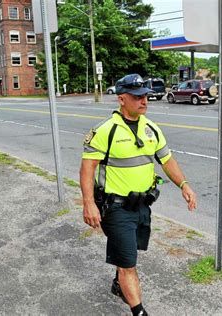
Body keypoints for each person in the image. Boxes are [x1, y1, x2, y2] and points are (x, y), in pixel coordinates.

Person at [80, 73, 197, 315]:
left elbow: (167, 160)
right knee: (129, 266)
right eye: (137, 97)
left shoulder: (151, 128)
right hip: (116, 208)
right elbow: (87, 168)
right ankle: (139, 311)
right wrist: (88, 203)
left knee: (130, 251)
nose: (144, 101)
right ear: (121, 99)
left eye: (145, 96)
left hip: (142, 206)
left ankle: (118, 282)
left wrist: (183, 184)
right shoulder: (105, 130)